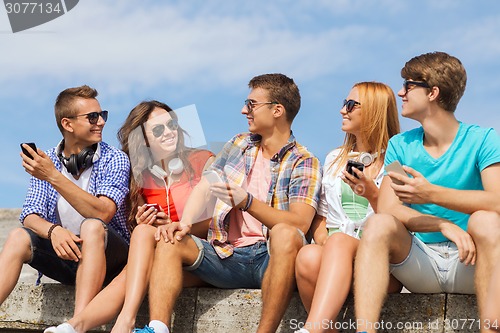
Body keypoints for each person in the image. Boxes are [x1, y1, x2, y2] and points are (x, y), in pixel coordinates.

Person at [131, 73, 322, 333]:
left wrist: (248, 203)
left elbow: (300, 223)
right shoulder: (239, 143)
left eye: (252, 104)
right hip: (227, 254)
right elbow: (206, 185)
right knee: (170, 238)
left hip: (272, 257)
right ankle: (158, 328)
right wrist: (184, 223)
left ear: (277, 110)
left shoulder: (304, 160)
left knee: (286, 234)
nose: (245, 110)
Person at [353, 52, 500, 333]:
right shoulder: (399, 145)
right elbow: (388, 208)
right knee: (379, 223)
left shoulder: (484, 140)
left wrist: (430, 193)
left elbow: (497, 200)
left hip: (473, 263)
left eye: (408, 85)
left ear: (433, 92)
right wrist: (442, 224)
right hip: (421, 263)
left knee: (488, 220)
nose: (400, 92)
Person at [44, 101, 214, 333]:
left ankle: (122, 321)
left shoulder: (203, 160)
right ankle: (76, 326)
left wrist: (177, 226)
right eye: (158, 129)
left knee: (137, 263)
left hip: (201, 255)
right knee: (141, 242)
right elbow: (134, 233)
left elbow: (222, 221)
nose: (168, 132)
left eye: (171, 124)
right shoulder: (140, 178)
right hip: (163, 260)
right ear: (143, 139)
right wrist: (145, 223)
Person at [0, 85, 130, 317]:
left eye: (103, 115)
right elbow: (30, 214)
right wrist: (53, 231)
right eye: (92, 117)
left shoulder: (115, 159)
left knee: (92, 226)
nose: (100, 122)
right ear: (67, 124)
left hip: (112, 262)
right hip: (70, 256)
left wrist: (52, 175)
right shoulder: (48, 160)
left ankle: (76, 324)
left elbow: (102, 213)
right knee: (18, 236)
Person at [294, 82, 401, 333]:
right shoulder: (334, 158)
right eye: (344, 103)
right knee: (309, 256)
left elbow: (400, 219)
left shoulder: (396, 162)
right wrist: (325, 243)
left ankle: (312, 329)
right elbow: (321, 217)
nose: (343, 110)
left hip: (381, 263)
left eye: (351, 105)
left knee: (340, 241)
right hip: (338, 256)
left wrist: (374, 195)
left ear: (374, 110)